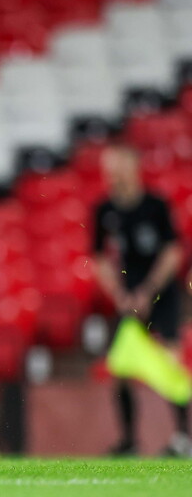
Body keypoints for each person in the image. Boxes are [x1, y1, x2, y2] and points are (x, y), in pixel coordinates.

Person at [92, 143, 189, 457]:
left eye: (117, 169)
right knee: (120, 369)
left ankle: (183, 438)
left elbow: (173, 252)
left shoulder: (156, 206)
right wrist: (121, 295)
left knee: (171, 361)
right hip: (128, 297)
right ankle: (130, 440)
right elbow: (98, 260)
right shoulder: (104, 210)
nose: (112, 176)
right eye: (109, 170)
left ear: (133, 170)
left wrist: (148, 291)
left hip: (161, 294)